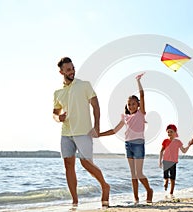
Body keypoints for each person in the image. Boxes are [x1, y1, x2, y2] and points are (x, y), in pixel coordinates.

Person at [52, 57, 110, 207]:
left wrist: (97, 127)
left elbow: (96, 106)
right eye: (68, 70)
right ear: (61, 72)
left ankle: (104, 185)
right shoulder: (58, 93)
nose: (72, 71)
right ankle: (75, 201)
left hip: (84, 131)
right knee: (68, 165)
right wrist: (59, 117)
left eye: (73, 68)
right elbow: (54, 114)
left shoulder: (84, 85)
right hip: (66, 133)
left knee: (86, 163)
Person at [99, 73, 153, 204]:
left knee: (139, 173)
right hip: (128, 145)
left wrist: (138, 81)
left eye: (134, 104)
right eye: (129, 104)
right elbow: (114, 130)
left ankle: (149, 190)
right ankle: (136, 198)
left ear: (138, 105)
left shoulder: (141, 113)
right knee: (133, 174)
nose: (131, 106)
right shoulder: (125, 117)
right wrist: (99, 134)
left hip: (139, 144)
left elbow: (142, 95)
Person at [159, 124, 190, 197]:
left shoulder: (178, 142)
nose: (169, 133)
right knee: (166, 177)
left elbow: (184, 151)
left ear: (175, 132)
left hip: (173, 162)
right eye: (168, 132)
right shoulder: (165, 141)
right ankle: (166, 182)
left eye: (171, 132)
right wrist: (160, 161)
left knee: (172, 178)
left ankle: (171, 193)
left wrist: (189, 145)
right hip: (165, 161)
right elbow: (161, 151)